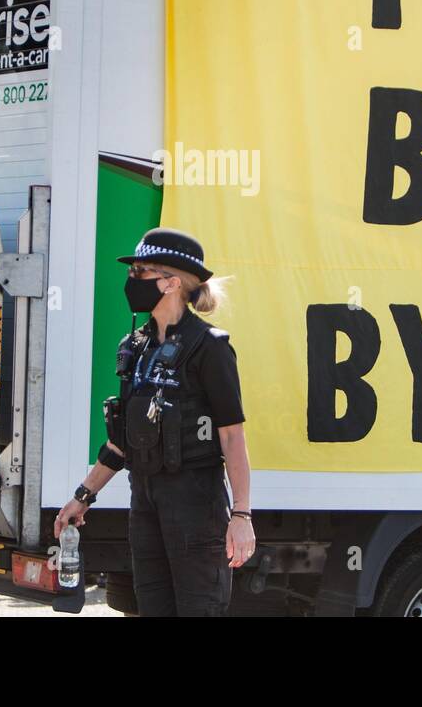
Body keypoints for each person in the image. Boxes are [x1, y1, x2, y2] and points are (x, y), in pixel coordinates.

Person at [54, 228, 255, 616]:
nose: (132, 280)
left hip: (196, 502)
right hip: (145, 500)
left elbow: (232, 436)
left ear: (172, 282)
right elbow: (122, 441)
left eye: (142, 272)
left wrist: (242, 515)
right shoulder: (135, 346)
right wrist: (82, 496)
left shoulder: (209, 346)